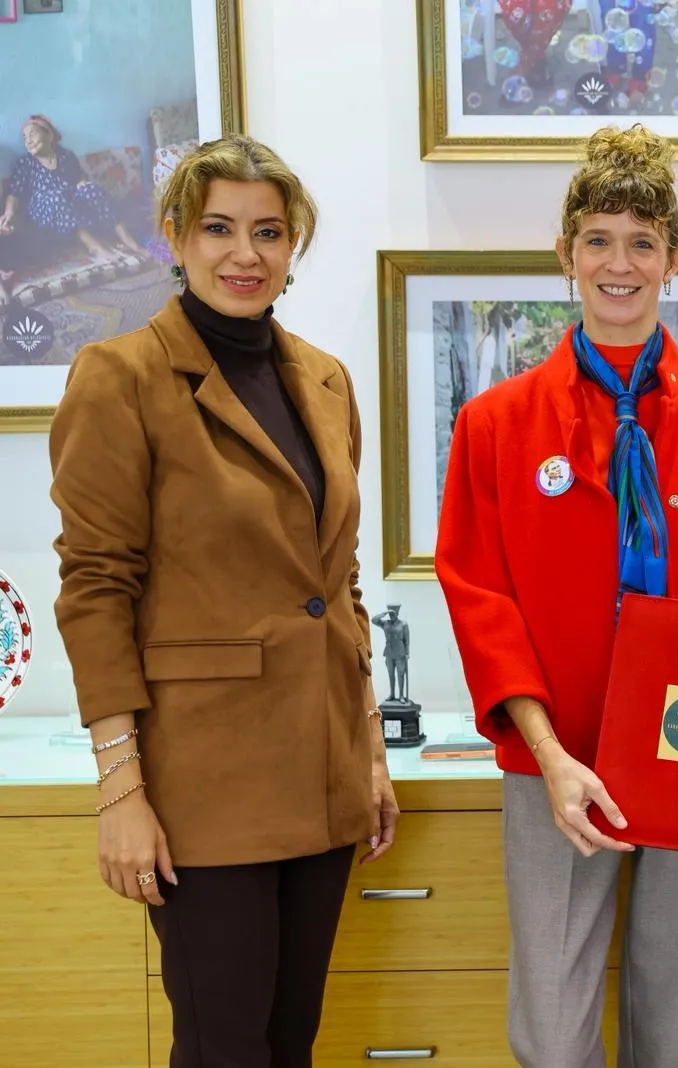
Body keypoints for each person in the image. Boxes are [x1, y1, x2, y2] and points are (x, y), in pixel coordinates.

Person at [48, 134, 399, 1068]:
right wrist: (120, 790)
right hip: (201, 786)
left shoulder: (326, 380)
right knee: (223, 1048)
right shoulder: (119, 377)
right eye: (218, 228)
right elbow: (95, 589)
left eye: (268, 232)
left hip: (322, 774)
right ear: (175, 236)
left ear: (292, 246)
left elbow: (337, 581)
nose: (245, 253)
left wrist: (366, 748)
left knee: (292, 1043)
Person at [434, 123, 678, 1068]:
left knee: (672, 1021)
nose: (619, 265)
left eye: (641, 242)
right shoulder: (494, 423)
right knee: (551, 1034)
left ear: (675, 258)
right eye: (598, 240)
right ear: (565, 254)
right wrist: (548, 754)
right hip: (557, 754)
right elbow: (478, 593)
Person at [0, 114, 143, 266]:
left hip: (72, 206)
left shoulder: (66, 155)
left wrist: (82, 183)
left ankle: (129, 240)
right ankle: (94, 247)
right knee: (57, 196)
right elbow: (14, 193)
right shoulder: (25, 163)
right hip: (43, 214)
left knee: (91, 189)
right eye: (25, 138)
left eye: (32, 135)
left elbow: (79, 177)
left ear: (49, 135)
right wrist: (9, 212)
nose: (27, 141)